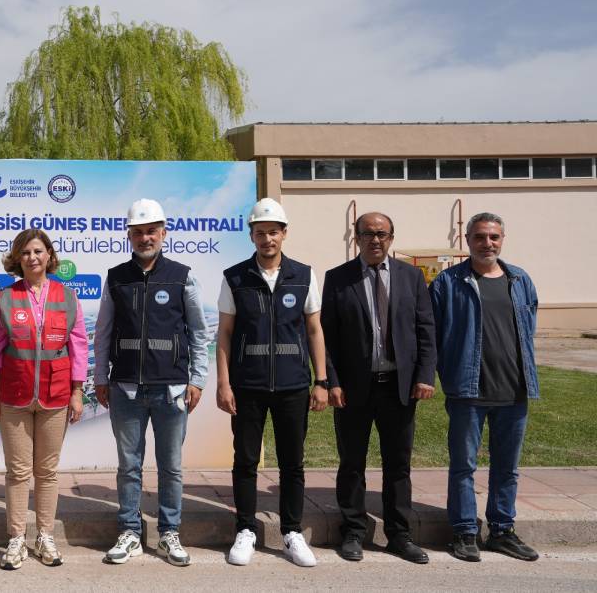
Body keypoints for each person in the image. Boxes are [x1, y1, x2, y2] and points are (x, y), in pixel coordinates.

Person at [93, 199, 212, 567]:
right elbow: (103, 333)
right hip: (125, 388)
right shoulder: (116, 277)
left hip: (172, 389)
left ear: (163, 233)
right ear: (129, 235)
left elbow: (198, 333)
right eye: (138, 231)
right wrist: (100, 377)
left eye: (151, 231)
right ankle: (130, 531)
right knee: (128, 465)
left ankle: (168, 533)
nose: (145, 237)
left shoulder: (183, 276)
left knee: (171, 467)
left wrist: (198, 379)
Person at [214, 197, 328, 568]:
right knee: (245, 460)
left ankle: (292, 532)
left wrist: (321, 380)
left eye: (273, 232)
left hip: (294, 385)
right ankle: (245, 529)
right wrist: (224, 383)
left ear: (284, 234)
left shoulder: (303, 274)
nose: (267, 239)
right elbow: (225, 335)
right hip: (247, 386)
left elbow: (314, 329)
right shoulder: (235, 277)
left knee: (292, 462)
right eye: (260, 232)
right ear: (252, 235)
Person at [321, 212, 436, 564]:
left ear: (391, 237)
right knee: (352, 463)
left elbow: (426, 330)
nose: (375, 240)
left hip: (398, 388)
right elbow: (326, 337)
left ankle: (399, 535)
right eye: (368, 234)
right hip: (353, 389)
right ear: (356, 237)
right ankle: (354, 531)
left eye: (382, 234)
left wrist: (425, 375)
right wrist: (332, 382)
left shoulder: (411, 277)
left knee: (397, 464)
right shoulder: (337, 279)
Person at [431, 212, 541, 563]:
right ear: (468, 241)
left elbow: (530, 326)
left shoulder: (520, 279)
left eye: (493, 237)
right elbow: (432, 333)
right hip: (468, 391)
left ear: (502, 239)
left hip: (514, 391)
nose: (487, 243)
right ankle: (464, 532)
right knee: (463, 465)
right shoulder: (448, 282)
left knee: (507, 467)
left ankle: (501, 530)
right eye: (480, 237)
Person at [0, 228, 88, 570]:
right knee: (18, 472)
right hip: (14, 395)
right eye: (25, 252)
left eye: (38, 251)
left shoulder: (67, 296)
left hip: (56, 394)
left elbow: (78, 347)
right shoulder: (5, 297)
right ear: (18, 259)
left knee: (46, 471)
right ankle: (16, 539)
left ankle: (45, 536)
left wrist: (77, 392)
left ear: (49, 256)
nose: (32, 257)